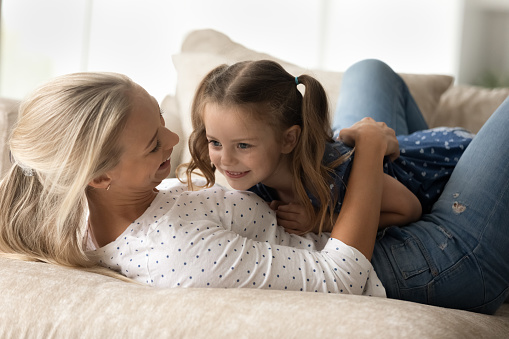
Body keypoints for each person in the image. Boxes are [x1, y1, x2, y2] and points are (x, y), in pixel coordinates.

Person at [1, 61, 508, 315]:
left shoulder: (97, 206)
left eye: (163, 120)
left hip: (326, 193)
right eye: (155, 141)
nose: (177, 140)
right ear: (99, 177)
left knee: (368, 71)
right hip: (415, 261)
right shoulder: (175, 252)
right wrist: (371, 146)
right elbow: (342, 278)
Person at [181, 59, 473, 234]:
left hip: (452, 163)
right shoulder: (255, 178)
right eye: (215, 142)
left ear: (288, 140)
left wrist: (322, 222)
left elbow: (408, 209)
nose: (226, 159)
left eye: (243, 145)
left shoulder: (330, 173)